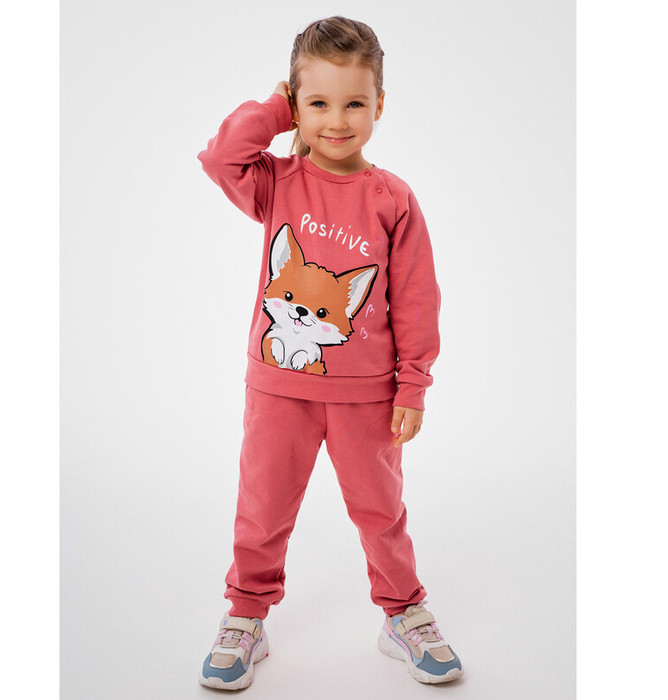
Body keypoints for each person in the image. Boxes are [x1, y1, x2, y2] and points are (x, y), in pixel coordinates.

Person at [196, 15, 462, 690]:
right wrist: (274, 110)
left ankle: (402, 613)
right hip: (278, 390)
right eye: (317, 103)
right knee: (262, 509)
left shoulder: (392, 197)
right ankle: (246, 615)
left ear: (379, 104)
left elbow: (416, 298)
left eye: (353, 103)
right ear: (296, 104)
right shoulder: (277, 182)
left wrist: (413, 385)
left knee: (381, 511)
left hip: (367, 396)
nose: (336, 121)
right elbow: (220, 157)